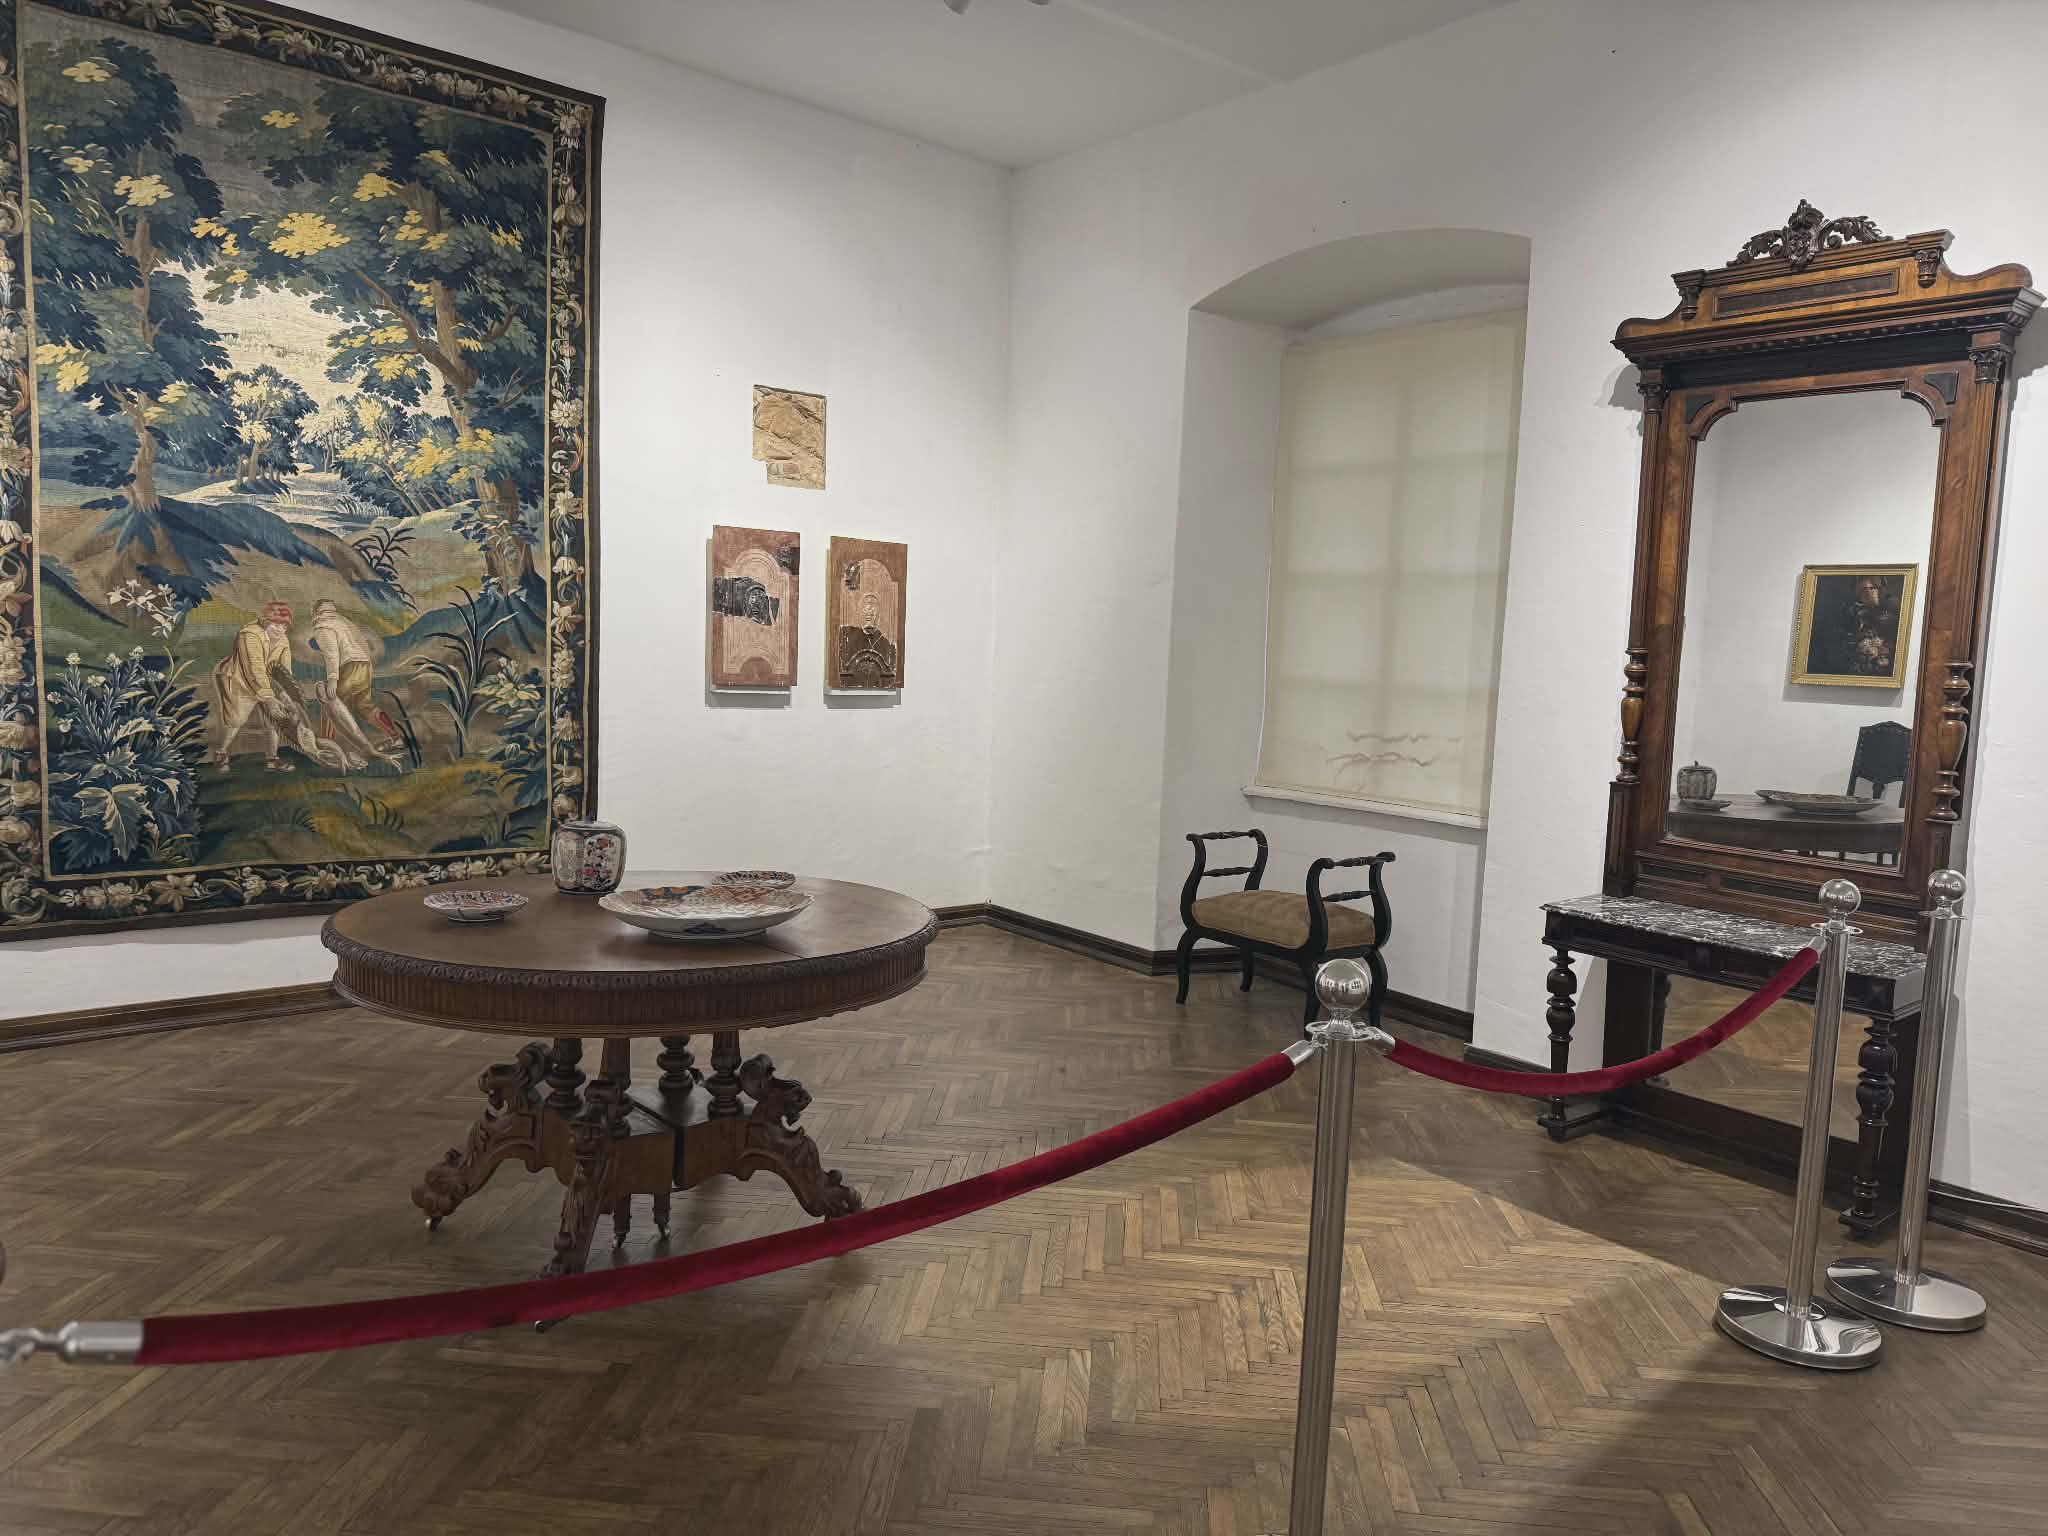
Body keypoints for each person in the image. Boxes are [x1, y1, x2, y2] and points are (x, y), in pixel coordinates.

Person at [211, 600, 310, 773]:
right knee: (236, 719)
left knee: (274, 719)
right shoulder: (249, 635)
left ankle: (272, 759)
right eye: (276, 625)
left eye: (284, 626)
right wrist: (269, 699)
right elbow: (254, 667)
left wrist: (285, 695)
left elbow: (284, 672)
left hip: (266, 682)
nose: (280, 629)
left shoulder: (283, 641)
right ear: (265, 621)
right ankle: (221, 753)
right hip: (238, 679)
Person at [307, 599, 402, 768]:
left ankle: (328, 748)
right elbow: (363, 645)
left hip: (349, 666)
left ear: (316, 612)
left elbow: (331, 654)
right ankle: (396, 738)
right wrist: (366, 667)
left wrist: (333, 679)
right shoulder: (345, 623)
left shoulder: (323, 627)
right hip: (364, 665)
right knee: (365, 706)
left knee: (331, 704)